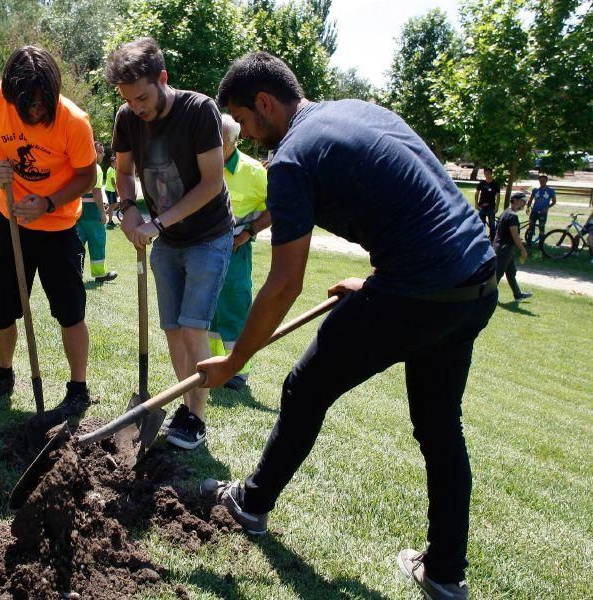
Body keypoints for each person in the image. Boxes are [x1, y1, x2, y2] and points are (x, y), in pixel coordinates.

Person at [196, 52, 497, 600]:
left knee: (304, 387)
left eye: (244, 118)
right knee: (439, 427)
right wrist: (379, 280)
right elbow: (413, 205)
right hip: (473, 283)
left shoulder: (290, 160)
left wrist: (233, 361)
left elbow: (285, 283)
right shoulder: (358, 110)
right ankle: (446, 574)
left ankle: (251, 504)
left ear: (264, 103)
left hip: (417, 291)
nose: (247, 134)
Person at [105, 37, 233, 450]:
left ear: (163, 78)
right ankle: (184, 404)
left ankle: (196, 418)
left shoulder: (199, 111)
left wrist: (157, 222)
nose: (137, 108)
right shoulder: (127, 118)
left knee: (195, 328)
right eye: (129, 99)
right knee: (173, 331)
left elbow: (212, 184)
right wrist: (128, 210)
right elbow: (123, 172)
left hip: (208, 236)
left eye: (142, 97)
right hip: (167, 238)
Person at [0, 46, 97, 416]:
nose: (38, 110)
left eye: (44, 103)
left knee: (70, 311)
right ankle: (4, 374)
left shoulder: (73, 120)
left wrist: (49, 203)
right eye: (30, 104)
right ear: (13, 95)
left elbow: (87, 175)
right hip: (10, 222)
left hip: (58, 227)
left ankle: (78, 388)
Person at [209, 114, 271, 391]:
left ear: (234, 140)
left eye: (219, 139)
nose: (213, 144)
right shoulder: (201, 163)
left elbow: (277, 206)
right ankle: (210, 362)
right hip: (203, 246)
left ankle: (238, 371)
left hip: (235, 248)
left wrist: (251, 231)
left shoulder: (255, 171)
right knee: (206, 307)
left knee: (234, 304)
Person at [77, 141, 118, 283]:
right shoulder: (96, 168)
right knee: (97, 242)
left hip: (78, 212)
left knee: (77, 243)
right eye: (100, 151)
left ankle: (76, 273)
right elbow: (96, 192)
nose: (103, 154)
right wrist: (102, 212)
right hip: (93, 213)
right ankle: (100, 274)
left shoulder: (78, 166)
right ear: (93, 152)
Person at [493, 192, 532, 301]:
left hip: (504, 248)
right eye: (523, 201)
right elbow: (515, 236)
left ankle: (518, 294)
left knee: (511, 272)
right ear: (515, 201)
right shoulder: (512, 216)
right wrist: (523, 250)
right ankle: (486, 297)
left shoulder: (506, 212)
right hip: (504, 249)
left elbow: (501, 232)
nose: (524, 204)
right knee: (497, 275)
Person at [525, 174, 556, 245]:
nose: (542, 182)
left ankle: (541, 244)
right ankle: (529, 243)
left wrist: (546, 208)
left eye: (543, 180)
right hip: (534, 211)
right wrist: (528, 207)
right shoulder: (535, 190)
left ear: (546, 181)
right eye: (540, 180)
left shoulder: (550, 191)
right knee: (531, 227)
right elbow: (531, 199)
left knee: (541, 228)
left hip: (543, 212)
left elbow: (554, 201)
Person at [474, 168, 499, 238]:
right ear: (484, 174)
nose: (487, 175)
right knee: (481, 224)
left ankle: (492, 239)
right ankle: (482, 238)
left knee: (492, 224)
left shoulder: (495, 183)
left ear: (491, 174)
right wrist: (476, 204)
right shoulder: (482, 183)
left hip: (491, 207)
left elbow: (498, 196)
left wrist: (496, 207)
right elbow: (477, 193)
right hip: (481, 207)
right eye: (486, 173)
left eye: (488, 173)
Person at [104, 155, 119, 227]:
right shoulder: (111, 170)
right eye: (115, 162)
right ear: (112, 163)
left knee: (114, 205)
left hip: (110, 190)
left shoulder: (112, 169)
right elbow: (113, 182)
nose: (116, 163)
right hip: (110, 190)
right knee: (112, 206)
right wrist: (117, 191)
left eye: (117, 162)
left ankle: (103, 213)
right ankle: (109, 221)